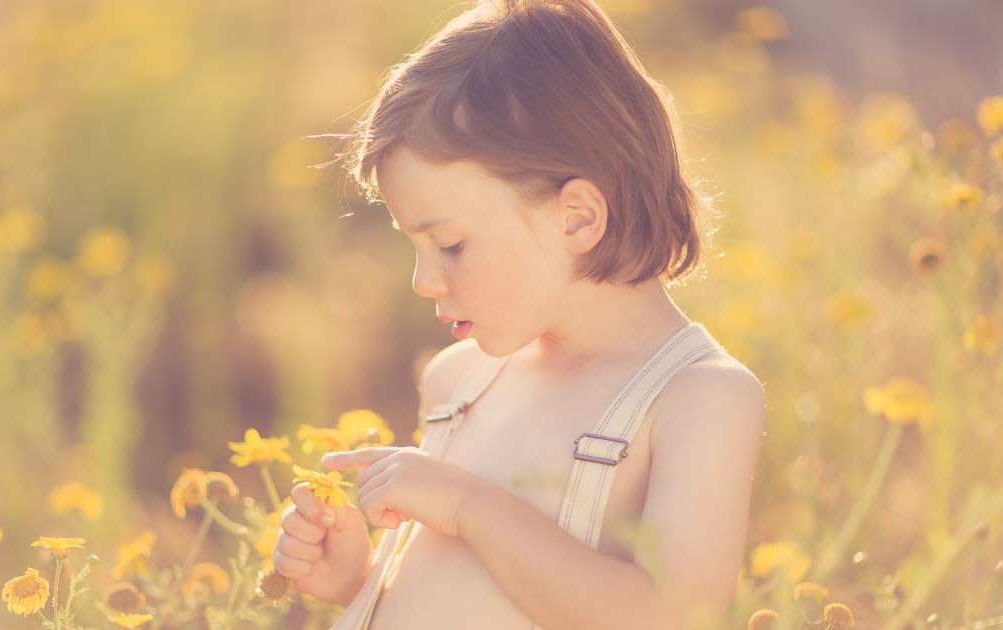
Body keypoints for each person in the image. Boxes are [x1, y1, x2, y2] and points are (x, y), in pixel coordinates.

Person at [272, 1, 766, 628]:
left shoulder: (699, 398)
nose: (423, 281)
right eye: (414, 246)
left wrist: (468, 506)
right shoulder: (458, 382)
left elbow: (673, 617)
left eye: (450, 245)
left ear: (577, 217)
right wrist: (360, 583)